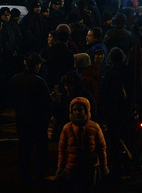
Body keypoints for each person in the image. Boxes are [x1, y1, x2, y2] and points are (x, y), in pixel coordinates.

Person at [10, 52, 52, 186]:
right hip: (38, 120)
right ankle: (39, 176)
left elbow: (11, 98)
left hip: (22, 118)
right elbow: (47, 103)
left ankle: (24, 175)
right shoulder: (39, 81)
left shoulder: (16, 79)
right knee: (40, 149)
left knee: (24, 148)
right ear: (36, 66)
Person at [56, 96, 108, 193]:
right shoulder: (66, 128)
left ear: (86, 110)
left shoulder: (94, 127)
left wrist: (103, 166)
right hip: (72, 167)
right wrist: (60, 167)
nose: (77, 112)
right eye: (74, 110)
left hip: (89, 168)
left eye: (80, 110)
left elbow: (101, 148)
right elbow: (62, 150)